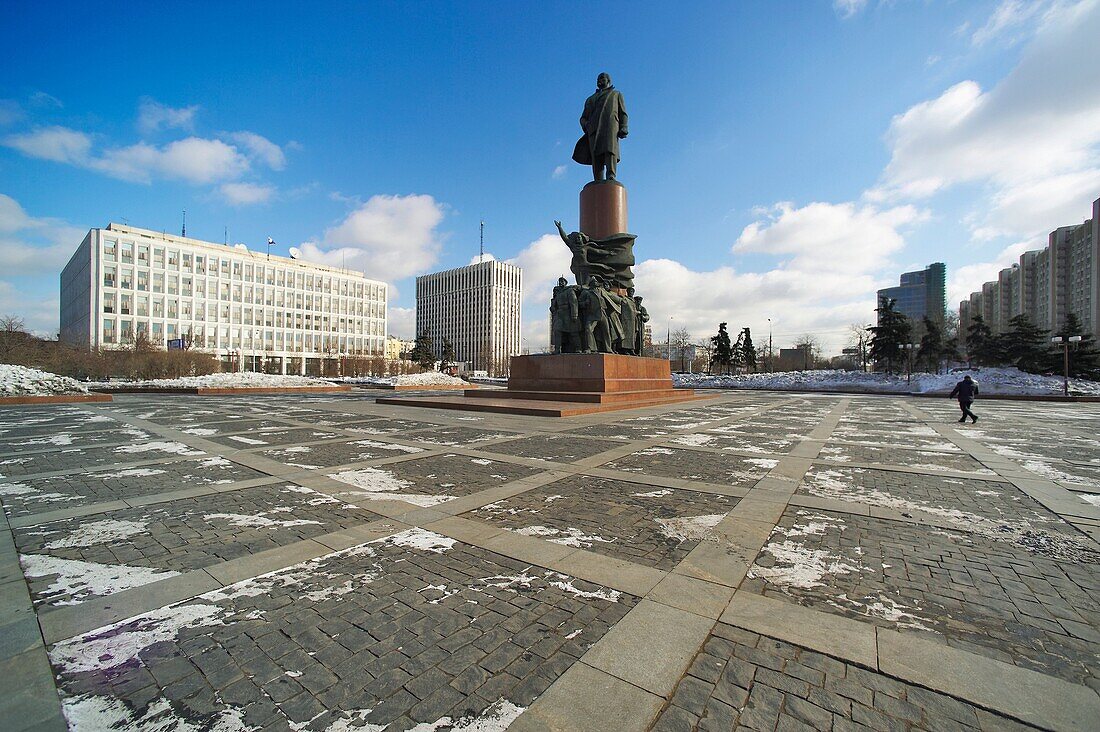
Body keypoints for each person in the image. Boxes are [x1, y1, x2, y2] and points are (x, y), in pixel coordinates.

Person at [571, 72, 629, 182]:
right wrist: (586, 124)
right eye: (598, 78)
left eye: (602, 78)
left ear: (608, 80)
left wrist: (624, 126)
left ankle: (611, 175)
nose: (599, 80)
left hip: (610, 127)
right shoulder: (590, 99)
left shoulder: (616, 94)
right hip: (593, 129)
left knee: (610, 151)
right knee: (595, 154)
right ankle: (598, 179)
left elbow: (623, 113)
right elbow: (583, 118)